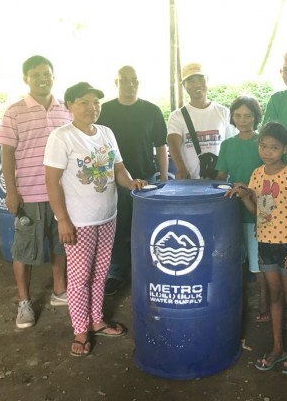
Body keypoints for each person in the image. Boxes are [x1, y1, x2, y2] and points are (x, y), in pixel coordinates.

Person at [44, 82, 147, 357]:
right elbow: (52, 182)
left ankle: (97, 320)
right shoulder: (62, 137)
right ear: (69, 106)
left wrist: (130, 183)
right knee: (79, 278)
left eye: (96, 102)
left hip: (107, 215)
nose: (92, 107)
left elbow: (118, 168)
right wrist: (62, 220)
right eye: (84, 102)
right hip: (79, 221)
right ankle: (80, 330)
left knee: (101, 272)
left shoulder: (106, 133)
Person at [225, 122, 287, 375]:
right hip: (265, 243)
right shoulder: (257, 174)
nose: (267, 151)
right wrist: (244, 197)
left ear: (285, 148)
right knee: (274, 297)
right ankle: (277, 348)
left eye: (274, 147)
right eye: (264, 146)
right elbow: (259, 212)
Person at [0, 55, 72, 329]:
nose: (43, 78)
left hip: (62, 195)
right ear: (26, 78)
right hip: (29, 194)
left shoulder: (66, 108)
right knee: (24, 250)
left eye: (48, 73)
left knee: (61, 245)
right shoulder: (14, 111)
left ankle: (59, 291)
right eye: (37, 73)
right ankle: (24, 302)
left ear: (54, 75)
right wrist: (11, 191)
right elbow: (6, 153)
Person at [96, 65, 168, 296]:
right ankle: (116, 273)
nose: (130, 83)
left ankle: (146, 270)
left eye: (134, 79)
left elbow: (161, 145)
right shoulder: (104, 111)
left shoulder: (152, 111)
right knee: (116, 228)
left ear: (139, 82)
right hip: (112, 180)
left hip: (146, 179)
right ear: (115, 82)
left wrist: (163, 177)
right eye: (124, 80)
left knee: (146, 229)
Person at [215, 96, 269, 322]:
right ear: (232, 118)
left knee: (259, 266)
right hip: (232, 212)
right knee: (234, 261)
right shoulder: (227, 145)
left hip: (259, 210)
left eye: (248, 115)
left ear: (256, 117)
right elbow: (220, 177)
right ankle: (233, 305)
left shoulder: (263, 144)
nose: (243, 119)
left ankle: (265, 305)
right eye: (238, 115)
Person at [167, 63, 234, 179]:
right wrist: (181, 169)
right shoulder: (177, 116)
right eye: (191, 80)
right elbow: (173, 143)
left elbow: (232, 146)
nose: (197, 84)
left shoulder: (224, 112)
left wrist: (225, 173)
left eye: (201, 79)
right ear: (184, 85)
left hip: (219, 183)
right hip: (189, 183)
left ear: (207, 81)